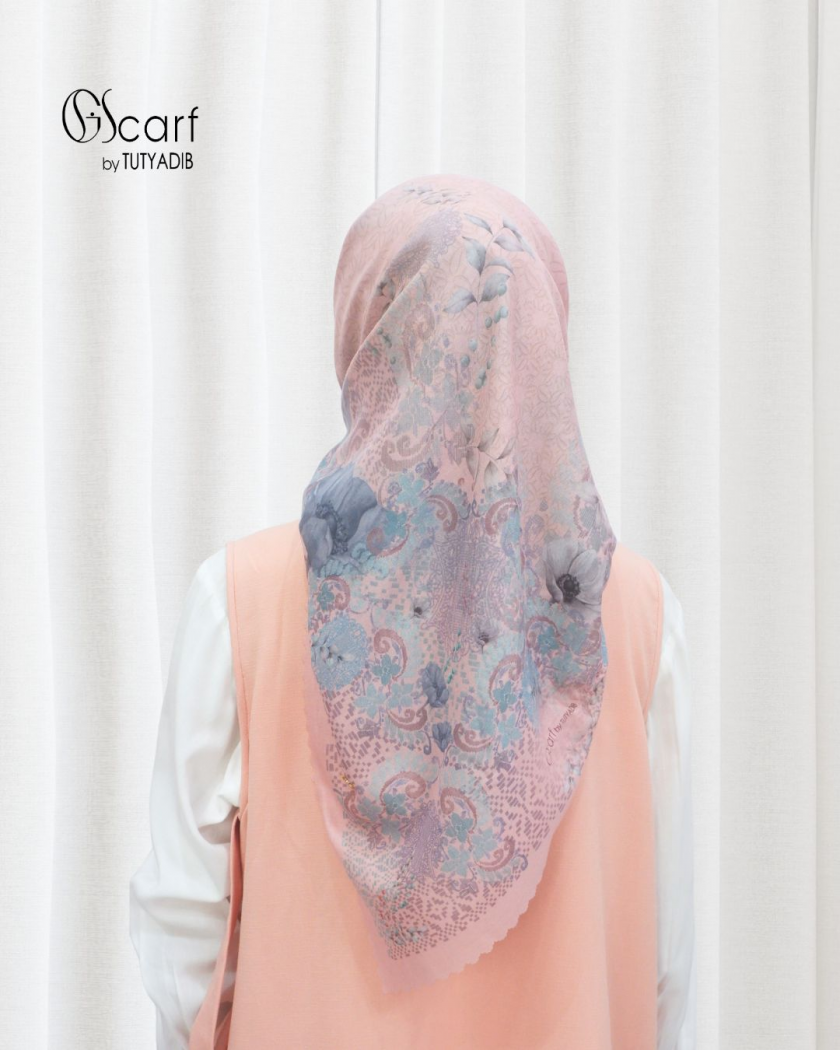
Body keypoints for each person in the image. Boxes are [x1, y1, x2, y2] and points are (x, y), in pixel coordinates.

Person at [130, 174, 696, 1048]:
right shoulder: (638, 615)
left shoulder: (241, 601)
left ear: (370, 335)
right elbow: (663, 958)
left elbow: (184, 936)